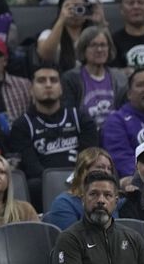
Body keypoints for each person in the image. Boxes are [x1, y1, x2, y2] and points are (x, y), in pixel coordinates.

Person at [12, 65, 99, 207]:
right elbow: (31, 166)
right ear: (31, 89)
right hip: (43, 184)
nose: (48, 85)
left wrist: (74, 180)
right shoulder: (22, 125)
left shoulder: (81, 118)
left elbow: (89, 157)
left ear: (61, 88)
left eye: (53, 80)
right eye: (41, 80)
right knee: (33, 185)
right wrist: (56, 182)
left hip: (80, 179)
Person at [43, 148, 120, 230]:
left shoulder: (112, 200)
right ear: (83, 171)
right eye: (100, 167)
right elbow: (70, 240)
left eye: (109, 168)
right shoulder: (63, 203)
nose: (106, 172)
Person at [36, 0, 107, 71]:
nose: (74, 11)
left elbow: (109, 54)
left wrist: (101, 24)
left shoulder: (94, 34)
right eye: (69, 8)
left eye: (79, 7)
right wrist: (61, 20)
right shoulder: (47, 34)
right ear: (60, 10)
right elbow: (46, 56)